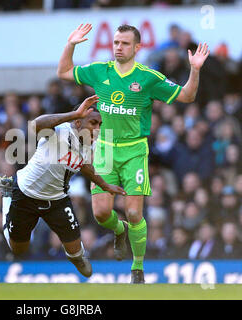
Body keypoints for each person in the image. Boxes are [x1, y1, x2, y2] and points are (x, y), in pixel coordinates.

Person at [57, 23, 209, 283]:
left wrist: (194, 70)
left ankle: (137, 267)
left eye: (125, 43)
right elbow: (64, 71)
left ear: (137, 47)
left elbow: (187, 96)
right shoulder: (99, 71)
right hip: (104, 147)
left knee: (135, 213)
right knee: (101, 214)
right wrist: (71, 44)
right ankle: (119, 231)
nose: (118, 47)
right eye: (116, 42)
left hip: (134, 150)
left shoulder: (148, 78)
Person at [0, 95, 126, 278]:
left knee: (74, 250)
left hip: (57, 199)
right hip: (25, 193)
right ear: (78, 123)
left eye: (100, 125)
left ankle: (78, 257)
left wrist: (104, 185)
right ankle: (7, 197)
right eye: (93, 123)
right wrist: (74, 114)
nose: (97, 129)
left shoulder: (91, 142)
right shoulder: (59, 130)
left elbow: (84, 165)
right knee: (19, 249)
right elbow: (35, 125)